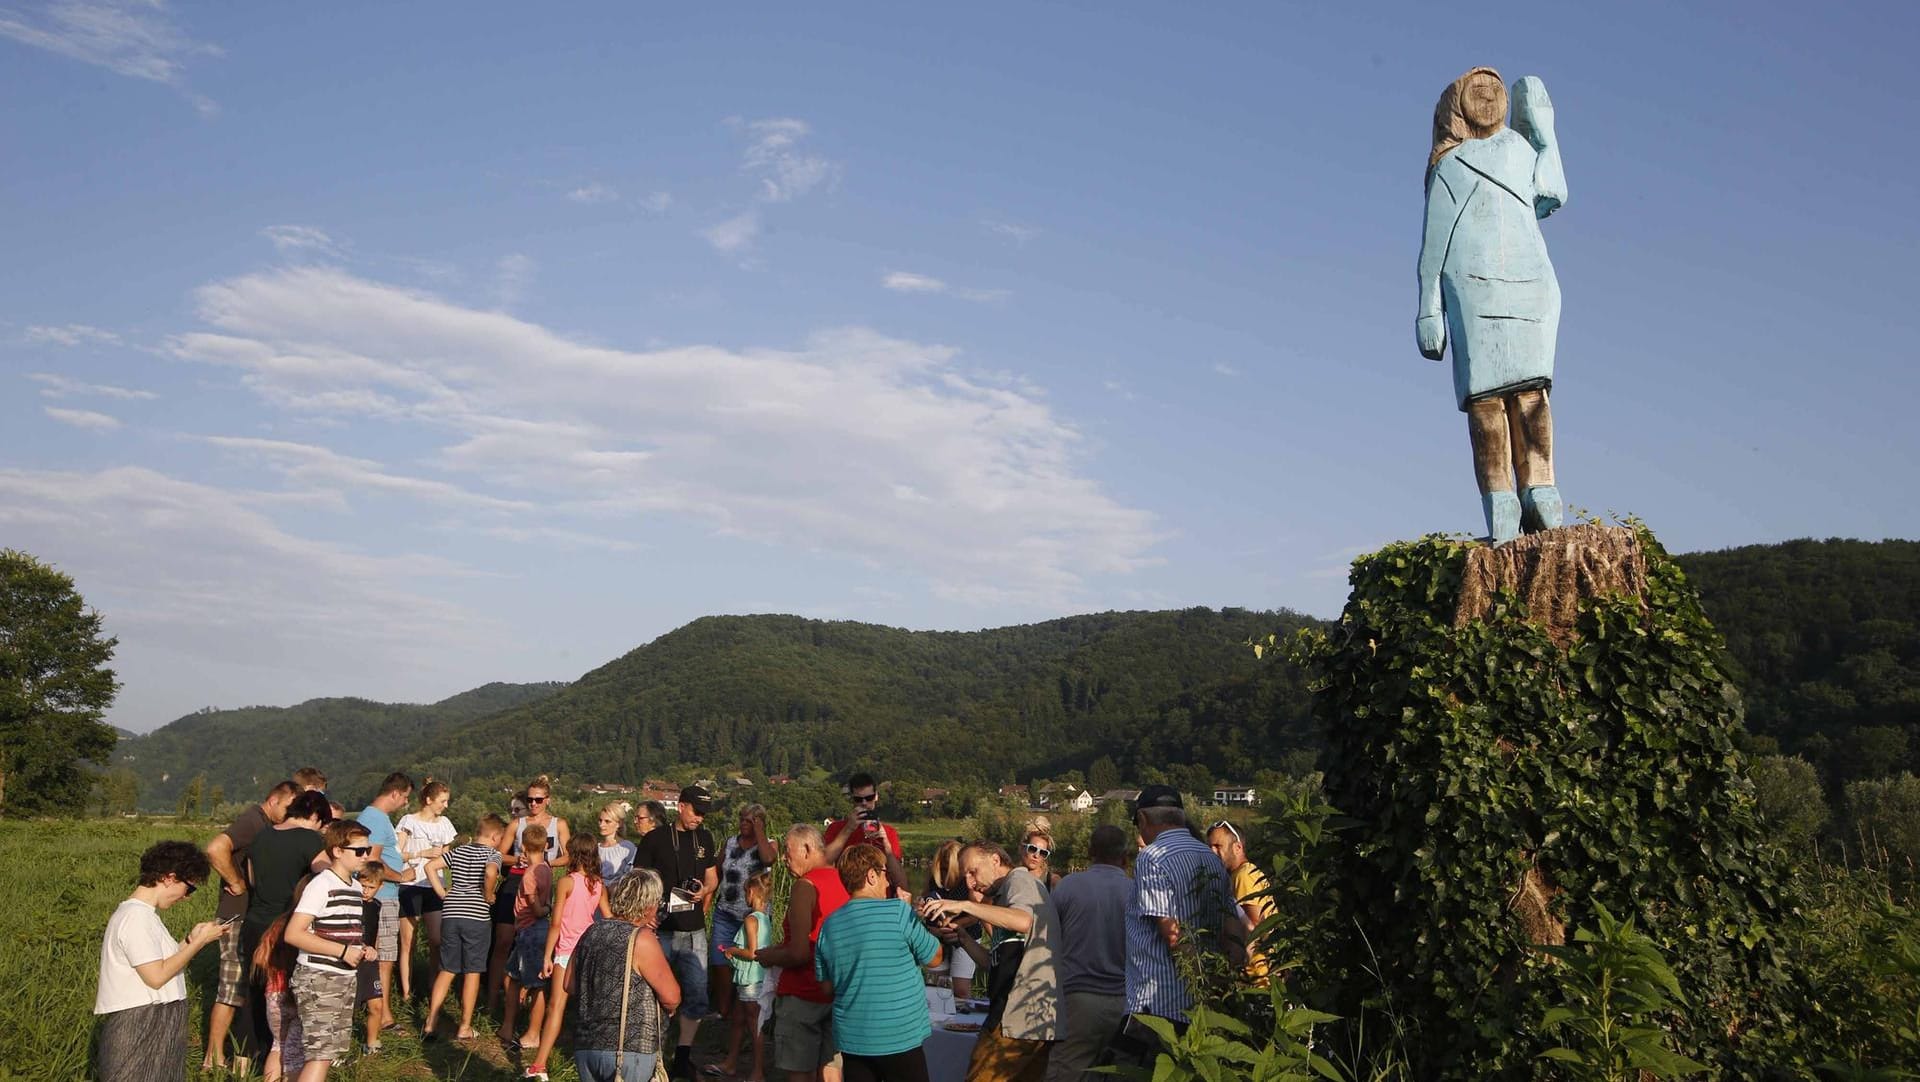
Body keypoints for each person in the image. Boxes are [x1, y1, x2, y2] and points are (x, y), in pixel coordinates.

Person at [1103, 787, 1243, 1071]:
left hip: (1155, 1007)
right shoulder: (1211, 859)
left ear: (1142, 819)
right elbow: (1233, 927)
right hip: (1203, 1009)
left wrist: (1197, 983)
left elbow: (1172, 933)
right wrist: (1222, 987)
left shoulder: (1152, 858)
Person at [920, 842, 1061, 1082]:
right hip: (1037, 1019)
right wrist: (963, 938)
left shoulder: (1019, 880)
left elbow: (1024, 921)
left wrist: (966, 905)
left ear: (995, 860)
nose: (969, 883)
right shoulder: (1006, 896)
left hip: (1016, 1017)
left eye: (973, 871)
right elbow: (991, 962)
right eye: (966, 876)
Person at [94, 840, 223, 1082]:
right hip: (140, 1022)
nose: (186, 898)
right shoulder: (135, 918)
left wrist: (189, 940)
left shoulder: (146, 917)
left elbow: (165, 963)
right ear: (169, 878)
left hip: (159, 1018)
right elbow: (156, 977)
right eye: (189, 889)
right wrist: (198, 944)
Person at [815, 846, 943, 1082]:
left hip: (853, 1036)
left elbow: (826, 988)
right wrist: (911, 915)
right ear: (871, 876)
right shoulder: (898, 912)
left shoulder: (829, 925)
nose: (888, 880)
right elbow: (935, 958)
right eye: (886, 873)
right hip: (900, 1034)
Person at [203, 779, 297, 1070]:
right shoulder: (253, 821)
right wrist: (236, 882)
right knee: (232, 989)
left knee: (248, 986)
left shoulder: (266, 825)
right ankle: (213, 1058)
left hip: (251, 916)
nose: (288, 814)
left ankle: (246, 1052)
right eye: (286, 807)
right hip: (237, 916)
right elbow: (215, 847)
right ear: (272, 800)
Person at [633, 783, 720, 1081]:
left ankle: (683, 1056)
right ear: (681, 806)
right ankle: (651, 1053)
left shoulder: (705, 838)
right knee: (652, 994)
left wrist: (704, 891)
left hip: (694, 929)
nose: (700, 819)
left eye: (704, 814)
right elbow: (639, 879)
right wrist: (645, 915)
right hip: (660, 931)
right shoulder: (655, 839)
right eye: (696, 812)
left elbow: (712, 877)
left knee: (696, 996)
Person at [239, 790, 333, 1064]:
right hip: (285, 926)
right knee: (284, 995)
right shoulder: (309, 839)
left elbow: (253, 879)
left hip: (255, 921)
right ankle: (285, 1058)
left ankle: (245, 1058)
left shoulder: (263, 835)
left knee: (254, 992)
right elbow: (327, 874)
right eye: (322, 822)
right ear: (315, 816)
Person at [751, 823, 849, 1082]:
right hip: (837, 992)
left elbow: (799, 953)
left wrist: (768, 956)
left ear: (806, 849)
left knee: (800, 1070)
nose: (784, 858)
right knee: (831, 1067)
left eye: (788, 851)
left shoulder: (805, 886)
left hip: (803, 993)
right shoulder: (846, 880)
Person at [568, 869, 684, 1082]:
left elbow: (570, 984)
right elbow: (671, 996)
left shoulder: (591, 931)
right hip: (629, 1050)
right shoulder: (642, 938)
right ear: (648, 906)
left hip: (586, 1046)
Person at [282, 819, 377, 1080]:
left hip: (344, 977)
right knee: (320, 1055)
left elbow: (344, 931)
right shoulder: (321, 885)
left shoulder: (356, 887)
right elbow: (293, 933)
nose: (365, 856)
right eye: (359, 851)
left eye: (367, 850)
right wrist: (342, 952)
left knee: (327, 1053)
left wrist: (362, 948)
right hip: (319, 977)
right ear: (337, 851)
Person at [1043, 825, 1131, 1082]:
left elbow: (1048, 939)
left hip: (1078, 998)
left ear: (1090, 851)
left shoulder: (1069, 886)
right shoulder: (1135, 890)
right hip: (1124, 1000)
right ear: (1125, 856)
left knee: (1066, 1071)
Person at [527, 833, 614, 1081]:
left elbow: (555, 924)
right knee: (589, 1010)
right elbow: (607, 917)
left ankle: (539, 1065)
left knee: (556, 1007)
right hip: (588, 950)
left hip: (566, 950)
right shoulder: (598, 884)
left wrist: (548, 956)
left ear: (574, 855)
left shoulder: (566, 882)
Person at [423, 813, 505, 1042]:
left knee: (447, 969)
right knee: (472, 971)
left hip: (451, 913)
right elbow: (490, 872)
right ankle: (465, 1026)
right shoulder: (493, 854)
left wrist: (442, 893)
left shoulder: (459, 851)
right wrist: (488, 895)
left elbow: (430, 866)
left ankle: (430, 1022)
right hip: (476, 917)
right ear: (495, 836)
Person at [356, 771, 417, 1036]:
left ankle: (377, 1011)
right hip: (383, 896)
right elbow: (373, 861)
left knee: (382, 955)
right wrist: (401, 875)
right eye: (405, 797)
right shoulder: (376, 819)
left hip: (385, 895)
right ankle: (383, 1016)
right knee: (384, 957)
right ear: (395, 793)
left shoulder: (373, 818)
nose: (405, 803)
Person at [710, 803, 775, 1026]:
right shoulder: (729, 843)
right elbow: (717, 871)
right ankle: (723, 1010)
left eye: (750, 820)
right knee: (719, 960)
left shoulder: (768, 844)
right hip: (726, 911)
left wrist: (760, 832)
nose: (744, 824)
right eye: (742, 819)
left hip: (752, 916)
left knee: (749, 960)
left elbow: (768, 859)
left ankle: (750, 1008)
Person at [396, 779, 457, 999]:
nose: (445, 806)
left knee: (436, 940)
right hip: (410, 885)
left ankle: (433, 987)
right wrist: (420, 854)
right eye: (442, 801)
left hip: (435, 886)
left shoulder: (445, 824)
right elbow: (396, 854)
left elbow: (447, 859)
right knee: (407, 942)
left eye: (447, 801)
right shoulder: (408, 821)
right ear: (429, 800)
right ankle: (405, 992)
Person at [502, 821, 555, 1055]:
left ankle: (533, 1033)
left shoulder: (530, 875)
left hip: (532, 930)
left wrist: (546, 910)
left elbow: (535, 907)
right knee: (512, 976)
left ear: (522, 847)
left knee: (536, 984)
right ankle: (507, 1026)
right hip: (528, 930)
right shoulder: (546, 868)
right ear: (545, 845)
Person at [716, 870, 774, 1082]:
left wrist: (732, 950)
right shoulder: (765, 917)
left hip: (751, 980)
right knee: (739, 1019)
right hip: (749, 979)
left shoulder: (751, 919)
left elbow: (752, 951)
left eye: (745, 893)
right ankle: (731, 1062)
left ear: (751, 892)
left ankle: (757, 1072)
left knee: (753, 1023)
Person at [1206, 820, 1276, 983]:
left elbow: (1255, 927)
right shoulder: (1248, 871)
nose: (1212, 851)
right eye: (1209, 846)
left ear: (1238, 847)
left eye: (1218, 846)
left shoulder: (1243, 875)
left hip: (1257, 975)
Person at [821, 772, 905, 891]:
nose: (864, 803)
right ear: (852, 799)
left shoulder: (888, 832)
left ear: (876, 796)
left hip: (880, 897)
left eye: (869, 798)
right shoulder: (836, 828)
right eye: (858, 799)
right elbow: (823, 862)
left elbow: (900, 881)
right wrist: (848, 829)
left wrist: (887, 846)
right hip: (846, 897)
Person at [251, 909, 305, 1081]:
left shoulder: (276, 926)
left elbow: (259, 958)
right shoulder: (301, 927)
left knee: (278, 1045)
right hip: (295, 997)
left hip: (273, 996)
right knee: (294, 1051)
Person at [926, 840, 979, 1000]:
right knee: (936, 987)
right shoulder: (934, 880)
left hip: (966, 937)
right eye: (941, 867)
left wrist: (953, 925)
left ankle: (963, 1021)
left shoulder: (968, 882)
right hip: (939, 937)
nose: (943, 872)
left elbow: (976, 914)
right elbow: (926, 902)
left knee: (960, 990)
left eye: (947, 868)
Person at [355, 865, 388, 1055]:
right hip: (352, 956)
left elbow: (374, 931)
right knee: (348, 1008)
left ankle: (372, 1043)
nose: (365, 891)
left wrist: (375, 948)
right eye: (363, 885)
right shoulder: (351, 902)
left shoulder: (376, 905)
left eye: (371, 887)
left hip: (370, 960)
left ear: (380, 887)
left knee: (376, 1004)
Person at [596, 801, 639, 886]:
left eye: (607, 821)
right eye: (600, 820)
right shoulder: (595, 847)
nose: (601, 825)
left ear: (618, 824)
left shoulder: (627, 847)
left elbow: (631, 876)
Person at [1019, 819, 1062, 891]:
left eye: (1043, 853)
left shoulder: (1053, 881)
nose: (1036, 856)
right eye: (1032, 849)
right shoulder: (1010, 877)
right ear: (1022, 848)